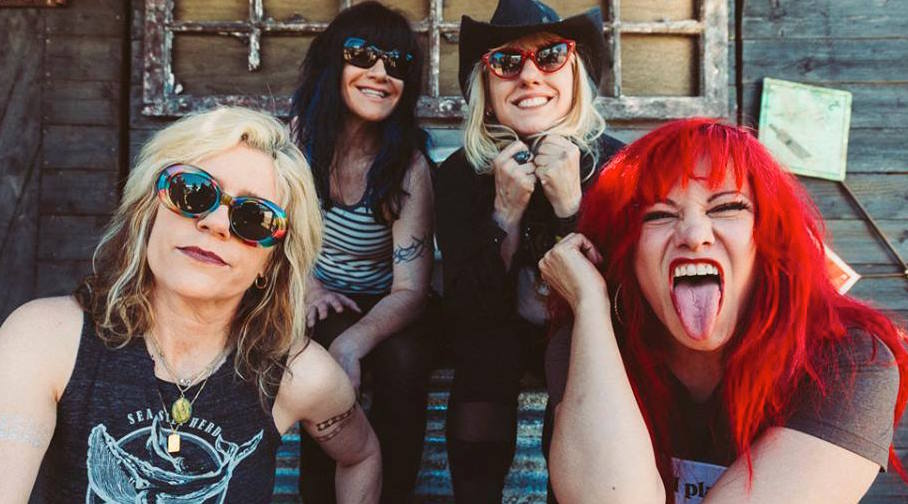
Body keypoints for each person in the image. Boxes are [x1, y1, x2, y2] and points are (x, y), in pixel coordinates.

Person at [0, 107, 382, 503]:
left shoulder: (298, 375)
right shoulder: (44, 342)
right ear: (148, 211)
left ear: (270, 263)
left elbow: (361, 456)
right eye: (193, 192)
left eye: (253, 218)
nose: (216, 223)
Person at [540, 118, 908, 503]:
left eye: (728, 207)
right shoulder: (590, 343)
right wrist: (590, 304)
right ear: (627, 252)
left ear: (769, 238)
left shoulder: (847, 360)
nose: (694, 236)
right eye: (658, 215)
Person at [434, 0, 624, 500]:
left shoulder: (619, 167)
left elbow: (624, 300)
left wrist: (570, 208)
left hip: (591, 335)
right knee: (483, 356)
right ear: (486, 84)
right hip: (496, 329)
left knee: (572, 359)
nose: (530, 76)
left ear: (576, 73)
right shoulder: (458, 175)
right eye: (507, 62)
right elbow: (467, 306)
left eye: (551, 56)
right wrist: (504, 214)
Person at [288, 3, 435, 502]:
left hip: (386, 303)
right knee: (321, 359)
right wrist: (309, 287)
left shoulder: (408, 168)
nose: (379, 72)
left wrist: (354, 343)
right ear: (334, 61)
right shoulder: (296, 144)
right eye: (362, 55)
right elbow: (268, 239)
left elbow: (411, 290)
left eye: (396, 63)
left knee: (405, 361)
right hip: (309, 291)